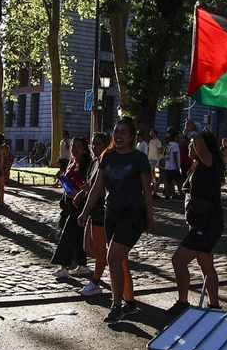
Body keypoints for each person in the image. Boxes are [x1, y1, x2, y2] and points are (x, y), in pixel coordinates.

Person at [78, 117, 156, 322]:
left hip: (132, 215)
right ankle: (130, 303)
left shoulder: (139, 158)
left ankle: (116, 305)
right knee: (120, 261)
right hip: (111, 213)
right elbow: (97, 188)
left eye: (123, 132)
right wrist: (85, 212)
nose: (119, 135)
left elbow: (147, 192)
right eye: (116, 131)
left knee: (112, 258)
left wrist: (150, 217)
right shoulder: (108, 157)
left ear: (131, 137)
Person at [173, 130, 226, 310]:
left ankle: (183, 302)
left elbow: (203, 151)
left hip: (206, 224)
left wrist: (193, 131)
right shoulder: (199, 166)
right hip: (202, 223)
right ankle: (214, 306)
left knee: (178, 261)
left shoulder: (210, 162)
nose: (190, 145)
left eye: (194, 143)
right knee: (205, 263)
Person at [53, 135, 94, 281]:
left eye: (78, 146)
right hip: (69, 204)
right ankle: (82, 265)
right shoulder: (72, 164)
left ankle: (63, 267)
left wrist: (78, 192)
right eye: (73, 146)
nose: (75, 149)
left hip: (79, 206)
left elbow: (88, 187)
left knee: (67, 235)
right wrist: (62, 178)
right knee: (77, 238)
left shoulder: (85, 166)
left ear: (84, 150)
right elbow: (69, 184)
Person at [78, 131, 112, 299]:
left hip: (102, 209)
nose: (94, 147)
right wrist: (82, 193)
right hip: (92, 209)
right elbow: (92, 186)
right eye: (93, 143)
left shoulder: (107, 163)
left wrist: (91, 192)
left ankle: (95, 282)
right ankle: (105, 263)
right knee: (88, 247)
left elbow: (103, 189)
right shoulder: (93, 163)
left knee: (99, 249)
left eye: (98, 144)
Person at [160, 126, 182, 198]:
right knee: (179, 181)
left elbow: (164, 153)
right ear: (175, 137)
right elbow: (175, 155)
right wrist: (177, 166)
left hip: (167, 165)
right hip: (173, 166)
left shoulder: (168, 145)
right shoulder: (175, 145)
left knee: (168, 181)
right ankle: (181, 193)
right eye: (177, 137)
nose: (178, 138)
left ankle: (167, 194)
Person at [146, 128, 164, 193]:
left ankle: (152, 182)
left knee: (149, 170)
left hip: (154, 158)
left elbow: (159, 151)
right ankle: (154, 182)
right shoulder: (151, 141)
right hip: (149, 158)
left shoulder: (158, 141)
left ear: (155, 134)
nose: (150, 133)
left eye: (151, 132)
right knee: (151, 171)